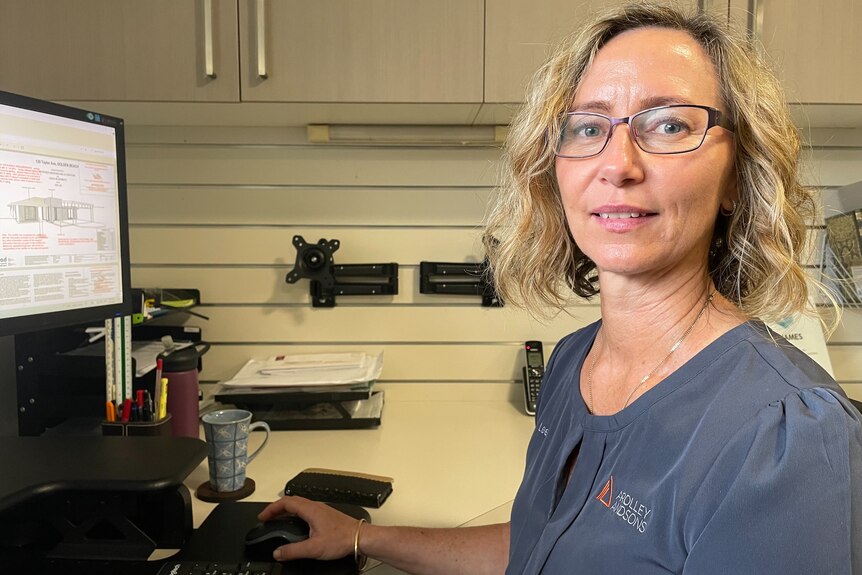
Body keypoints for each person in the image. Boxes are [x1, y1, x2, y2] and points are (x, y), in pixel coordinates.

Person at [258, 3, 862, 573]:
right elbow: (544, 546)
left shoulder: (786, 437)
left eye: (670, 123)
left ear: (738, 177)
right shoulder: (574, 361)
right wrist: (365, 537)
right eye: (586, 127)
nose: (618, 162)